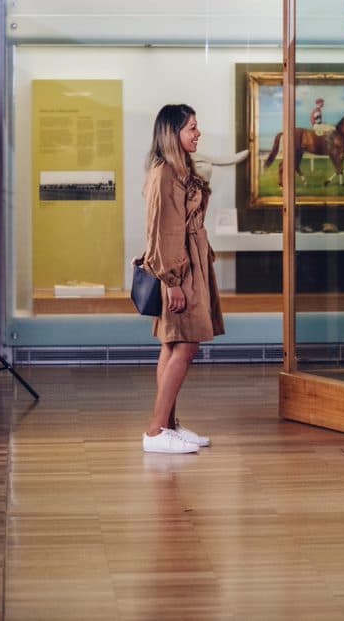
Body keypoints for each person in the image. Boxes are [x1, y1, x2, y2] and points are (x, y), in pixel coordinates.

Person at [140, 104, 225, 454]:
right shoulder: (164, 175)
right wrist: (172, 280)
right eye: (191, 128)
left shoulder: (179, 170)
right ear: (173, 133)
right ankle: (156, 432)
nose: (197, 133)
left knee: (174, 344)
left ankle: (168, 426)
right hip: (180, 270)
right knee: (186, 345)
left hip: (190, 265)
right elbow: (163, 232)